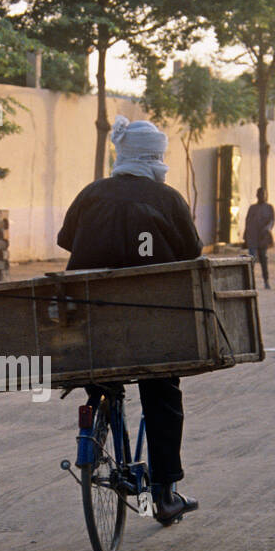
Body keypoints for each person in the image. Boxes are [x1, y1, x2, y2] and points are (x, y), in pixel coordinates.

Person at [56, 116, 200, 526]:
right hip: (149, 327)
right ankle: (166, 494)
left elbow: (66, 240)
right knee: (162, 392)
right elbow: (193, 253)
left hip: (89, 324)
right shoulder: (168, 199)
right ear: (156, 157)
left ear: (123, 154)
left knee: (102, 374)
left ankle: (99, 407)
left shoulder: (91, 193)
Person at [244, 188, 275, 288]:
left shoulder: (269, 208)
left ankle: (266, 281)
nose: (261, 196)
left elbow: (272, 221)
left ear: (266, 195)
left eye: (263, 194)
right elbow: (247, 222)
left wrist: (266, 229)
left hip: (263, 238)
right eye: (260, 194)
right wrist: (245, 236)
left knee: (263, 259)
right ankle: (250, 282)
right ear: (257, 195)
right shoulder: (252, 208)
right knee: (251, 260)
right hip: (252, 237)